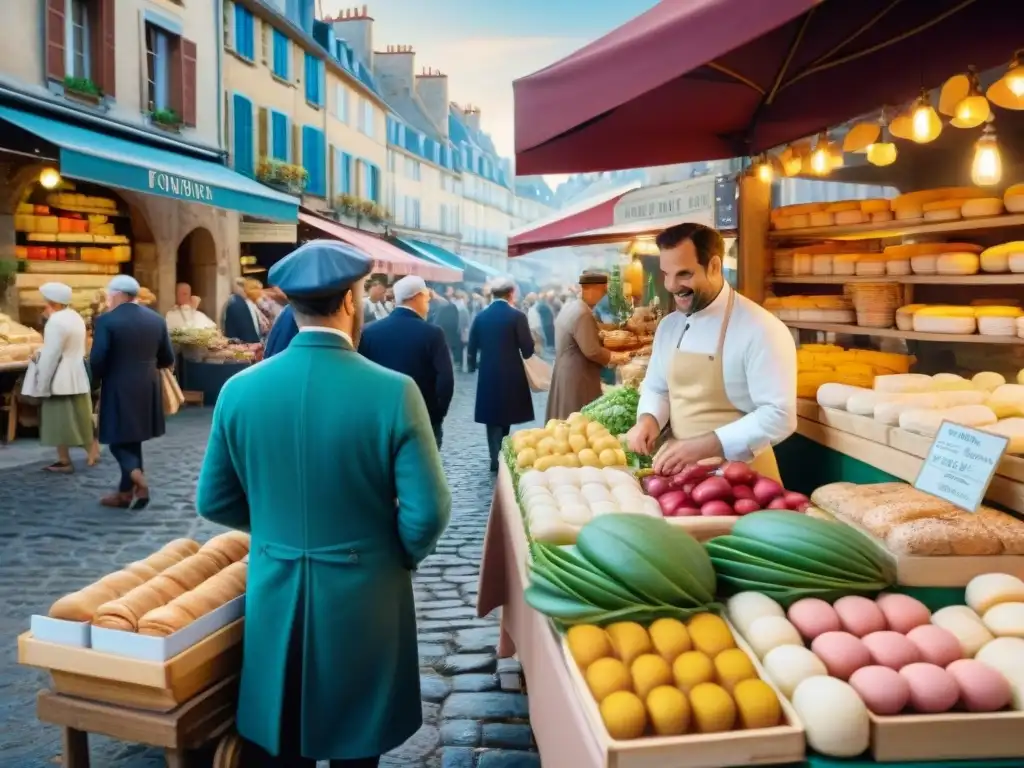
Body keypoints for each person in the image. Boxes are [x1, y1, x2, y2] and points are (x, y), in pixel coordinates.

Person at [196, 239, 450, 768]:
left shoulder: (239, 391)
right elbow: (428, 510)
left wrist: (273, 528)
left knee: (284, 737)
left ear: (289, 304)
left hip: (277, 585)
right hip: (366, 593)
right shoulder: (394, 391)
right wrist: (393, 553)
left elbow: (214, 499)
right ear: (353, 301)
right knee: (360, 743)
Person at [625, 223, 797, 481]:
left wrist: (705, 445)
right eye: (665, 274)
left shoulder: (762, 328)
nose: (671, 286)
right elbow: (657, 387)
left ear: (715, 266)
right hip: (685, 478)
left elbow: (780, 416)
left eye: (684, 274)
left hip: (745, 483)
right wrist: (648, 419)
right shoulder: (669, 326)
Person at [90, 275, 175, 509]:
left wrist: (94, 381)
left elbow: (98, 359)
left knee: (117, 439)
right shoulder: (156, 319)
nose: (108, 300)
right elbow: (167, 357)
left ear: (118, 294)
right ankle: (125, 493)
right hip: (148, 385)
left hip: (119, 384)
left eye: (109, 296)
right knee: (132, 438)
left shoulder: (107, 320)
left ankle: (137, 477)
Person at [359, 276, 454, 448]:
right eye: (426, 298)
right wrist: (437, 414)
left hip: (382, 417)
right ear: (416, 297)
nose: (428, 303)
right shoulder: (432, 333)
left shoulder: (369, 332)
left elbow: (361, 376)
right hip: (421, 415)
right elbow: (446, 380)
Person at [467, 276, 535, 472]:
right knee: (506, 413)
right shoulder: (517, 316)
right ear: (511, 293)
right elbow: (528, 349)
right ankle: (501, 452)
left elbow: (472, 346)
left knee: (492, 415)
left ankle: (494, 455)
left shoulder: (480, 316)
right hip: (511, 371)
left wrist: (472, 366)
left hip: (488, 371)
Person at [546, 272, 630, 421]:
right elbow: (592, 351)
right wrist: (617, 357)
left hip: (565, 370)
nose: (603, 296)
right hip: (577, 376)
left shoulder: (571, 307)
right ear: (592, 289)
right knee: (576, 421)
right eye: (603, 291)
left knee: (564, 419)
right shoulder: (583, 313)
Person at [34, 282, 97, 472]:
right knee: (82, 415)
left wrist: (42, 383)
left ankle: (64, 461)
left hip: (59, 376)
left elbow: (51, 355)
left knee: (58, 419)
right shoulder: (76, 317)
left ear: (52, 302)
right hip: (77, 372)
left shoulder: (55, 321)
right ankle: (92, 450)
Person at [222, 277, 262, 342]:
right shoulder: (238, 302)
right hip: (244, 344)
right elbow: (246, 329)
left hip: (236, 342)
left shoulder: (232, 301)